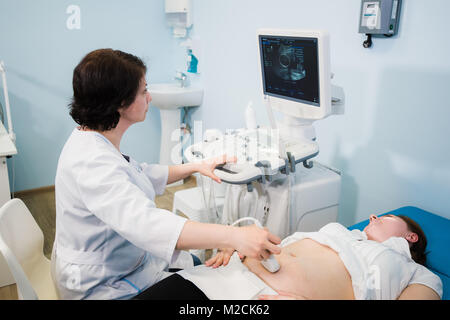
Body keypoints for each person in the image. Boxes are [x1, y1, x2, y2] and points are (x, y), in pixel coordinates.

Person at [51, 49, 281, 300]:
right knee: (208, 288)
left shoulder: (93, 140)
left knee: (197, 265)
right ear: (120, 103)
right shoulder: (93, 162)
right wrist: (234, 235)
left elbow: (140, 174)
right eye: (143, 91)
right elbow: (149, 225)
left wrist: (195, 166)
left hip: (122, 264)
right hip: (102, 285)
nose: (149, 97)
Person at [132, 214, 443, 300]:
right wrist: (240, 243)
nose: (373, 216)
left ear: (410, 236)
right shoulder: (346, 233)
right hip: (221, 276)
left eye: (386, 217)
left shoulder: (419, 274)